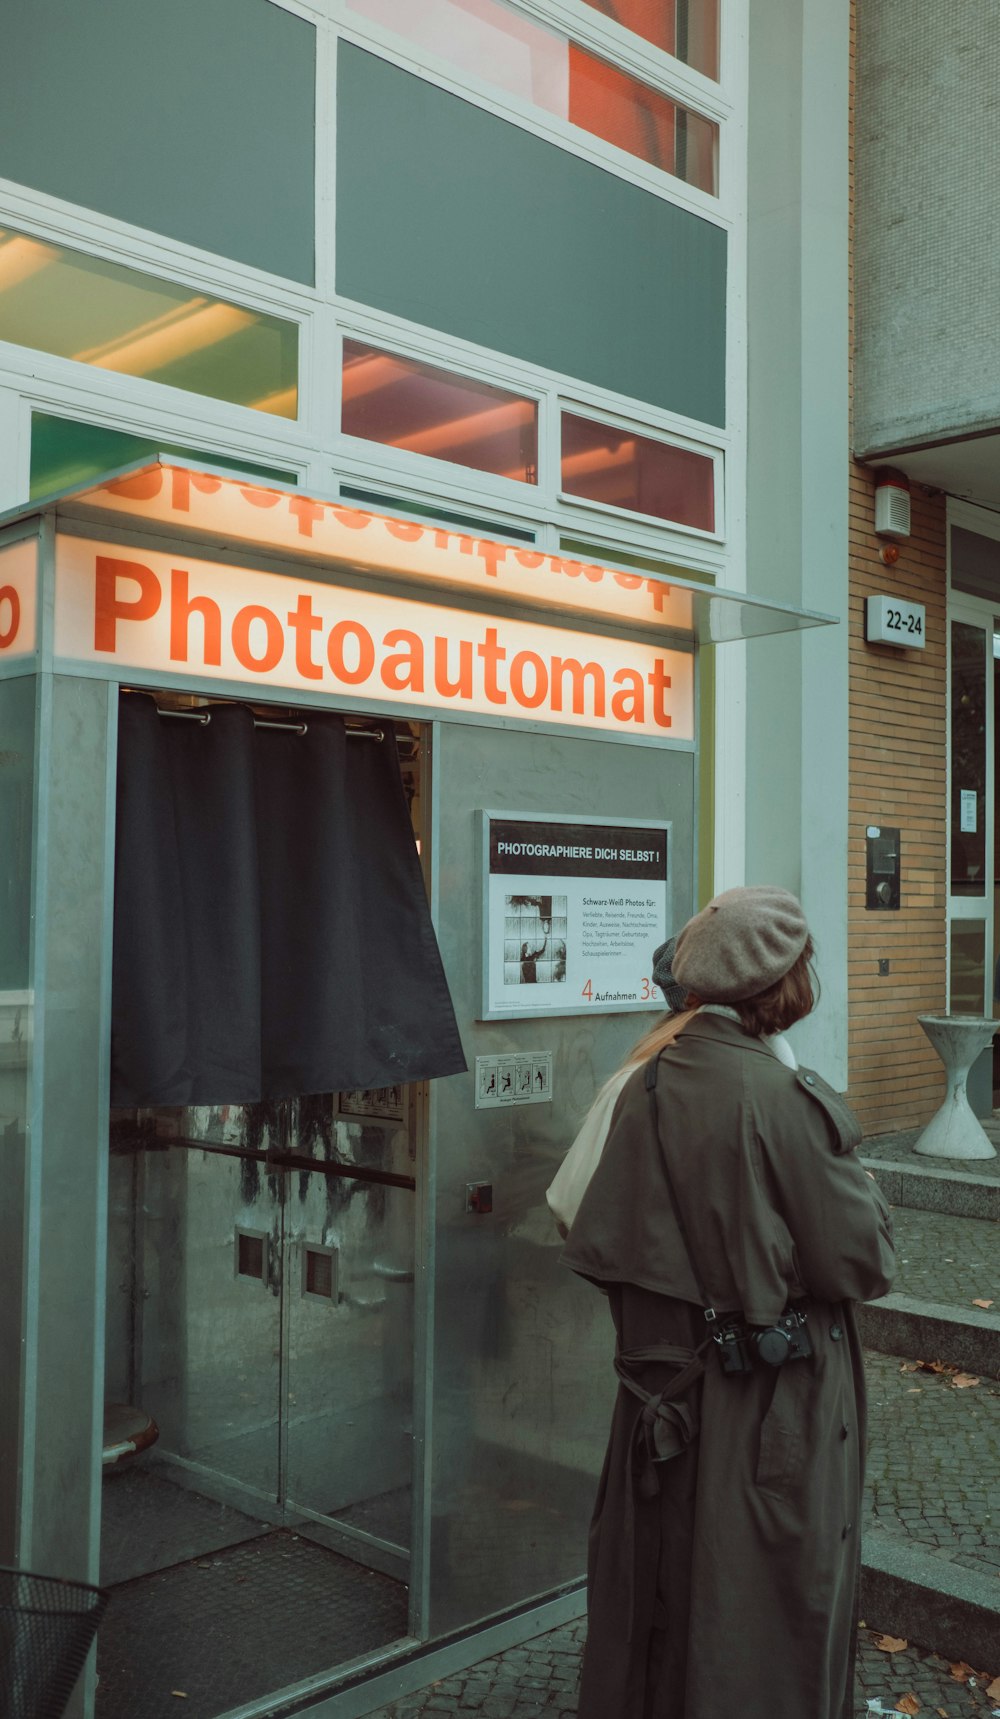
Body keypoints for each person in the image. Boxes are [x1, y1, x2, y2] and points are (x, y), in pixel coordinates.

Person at [561, 886, 895, 1719]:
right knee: (760, 1607)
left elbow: (598, 1240)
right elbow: (864, 1259)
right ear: (785, 984)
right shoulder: (782, 1100)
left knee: (671, 1594)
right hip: (767, 1408)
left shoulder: (646, 1083)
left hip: (661, 1403)